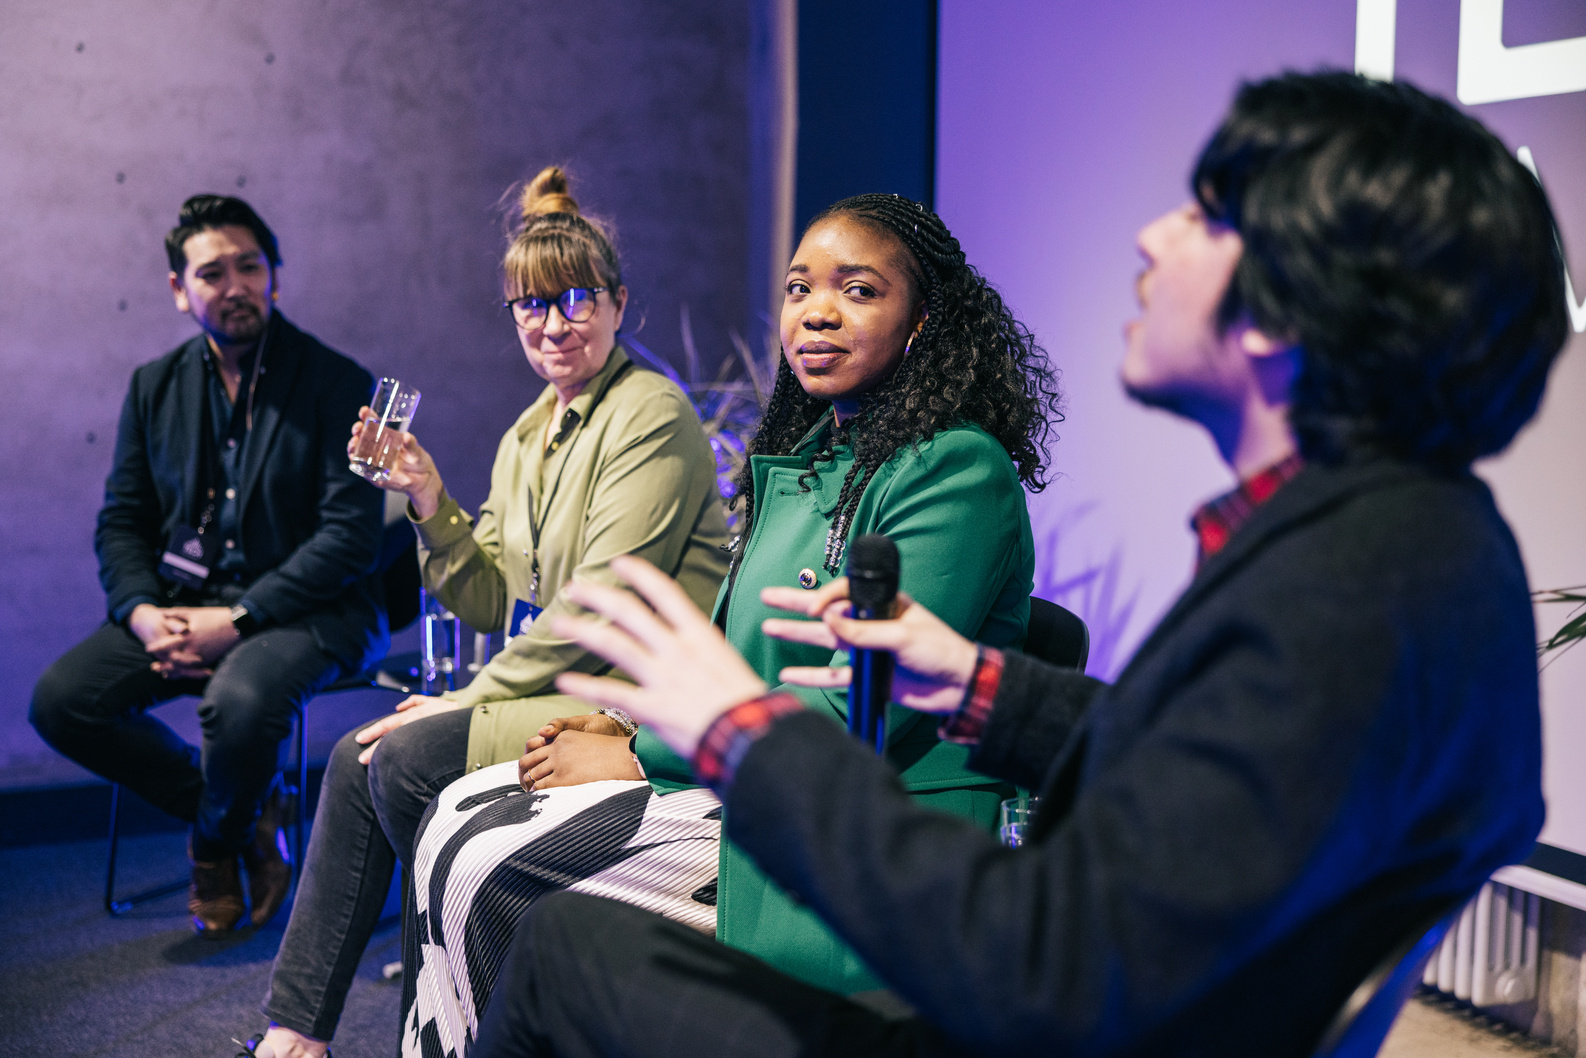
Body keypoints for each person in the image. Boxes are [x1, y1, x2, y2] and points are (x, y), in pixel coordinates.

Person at [474, 72, 1570, 1058]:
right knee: (563, 935)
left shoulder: (1342, 596)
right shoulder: (1406, 538)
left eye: (1205, 216)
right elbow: (1213, 776)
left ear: (1294, 301)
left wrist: (738, 731)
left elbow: (1040, 962)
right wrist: (980, 686)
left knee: (560, 946)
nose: (1150, 237)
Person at [394, 193, 1063, 1057]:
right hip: (748, 768)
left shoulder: (956, 469)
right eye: (799, 288)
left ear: (922, 322)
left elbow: (860, 710)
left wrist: (637, 752)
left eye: (858, 291)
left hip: (861, 813)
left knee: (483, 864)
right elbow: (733, 658)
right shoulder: (811, 459)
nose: (817, 311)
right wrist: (631, 719)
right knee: (454, 815)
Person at [243, 167, 731, 1058]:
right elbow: (493, 594)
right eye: (530, 306)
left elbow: (595, 606)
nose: (553, 324)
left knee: (404, 754)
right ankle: (298, 1035)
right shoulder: (526, 432)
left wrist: (466, 700)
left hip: (631, 707)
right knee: (369, 753)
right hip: (562, 687)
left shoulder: (653, 414)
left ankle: (447, 1027)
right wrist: (430, 498)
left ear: (622, 305)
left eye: (577, 299)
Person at [29, 195, 387, 936]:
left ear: (275, 277)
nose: (235, 286)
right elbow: (122, 521)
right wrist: (140, 612)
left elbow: (349, 539)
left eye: (250, 267)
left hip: (315, 609)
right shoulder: (152, 387)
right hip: (182, 604)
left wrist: (239, 621)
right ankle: (246, 809)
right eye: (213, 272)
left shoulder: (342, 383)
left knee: (240, 702)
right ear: (178, 290)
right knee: (62, 702)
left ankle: (214, 846)